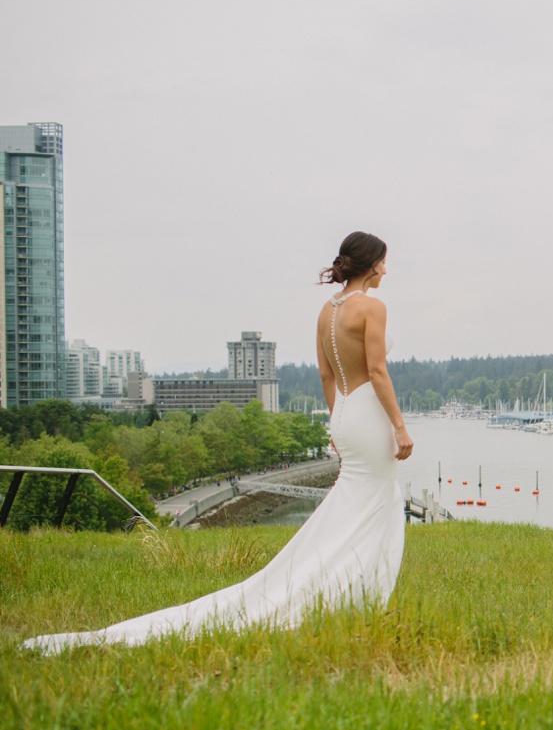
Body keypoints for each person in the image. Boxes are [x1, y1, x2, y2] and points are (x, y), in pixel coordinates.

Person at [23, 231, 413, 654]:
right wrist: (400, 426)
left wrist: (337, 422)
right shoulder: (373, 307)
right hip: (370, 415)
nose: (386, 270)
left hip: (345, 416)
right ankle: (355, 596)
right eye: (384, 262)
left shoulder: (326, 313)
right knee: (376, 501)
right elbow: (377, 371)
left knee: (353, 501)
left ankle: (336, 587)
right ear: (370, 263)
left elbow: (326, 376)